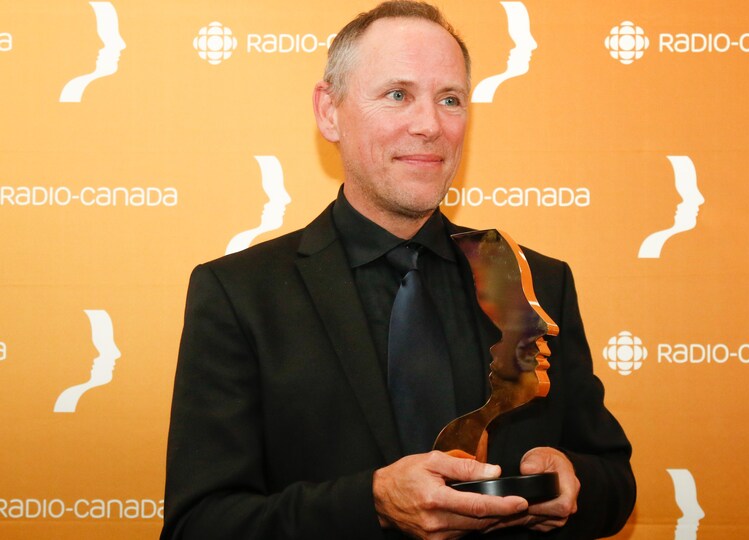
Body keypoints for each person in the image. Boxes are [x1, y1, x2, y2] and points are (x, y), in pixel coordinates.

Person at [161, 2, 635, 538]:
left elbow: (615, 483)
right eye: (397, 95)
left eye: (450, 99)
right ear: (329, 111)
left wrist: (573, 485)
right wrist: (372, 503)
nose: (430, 125)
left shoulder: (537, 281)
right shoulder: (239, 294)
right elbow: (199, 524)